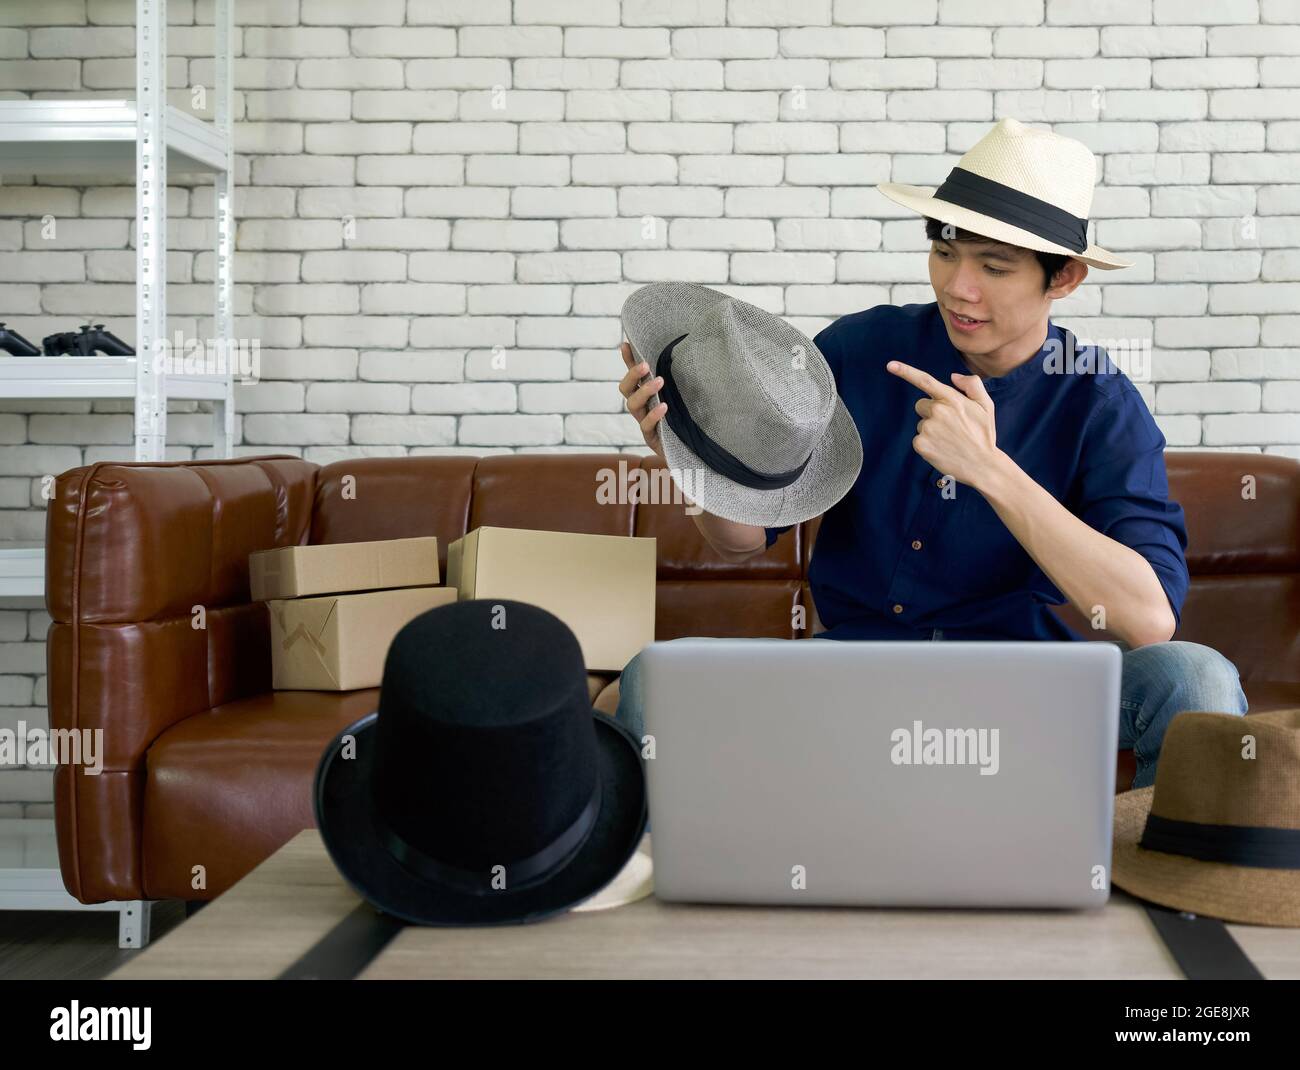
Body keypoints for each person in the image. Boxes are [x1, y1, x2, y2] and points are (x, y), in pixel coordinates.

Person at [605, 123, 1247, 791]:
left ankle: (1172, 887)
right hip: (857, 676)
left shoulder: (1098, 402)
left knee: (1195, 677)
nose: (959, 287)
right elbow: (740, 540)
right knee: (656, 677)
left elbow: (1148, 620)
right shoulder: (860, 349)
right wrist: (682, 453)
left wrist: (990, 470)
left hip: (1030, 689)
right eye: (945, 253)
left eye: (994, 267)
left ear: (1066, 278)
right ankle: (670, 879)